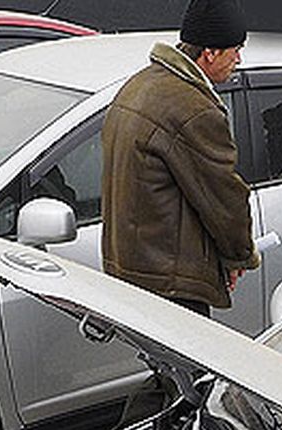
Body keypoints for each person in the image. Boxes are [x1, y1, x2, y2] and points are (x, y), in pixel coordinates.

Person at [100, 0, 260, 318]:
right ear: (210, 52)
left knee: (162, 366)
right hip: (170, 281)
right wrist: (238, 257)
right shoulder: (194, 110)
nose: (239, 60)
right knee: (188, 367)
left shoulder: (139, 85)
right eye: (235, 50)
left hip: (130, 268)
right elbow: (224, 197)